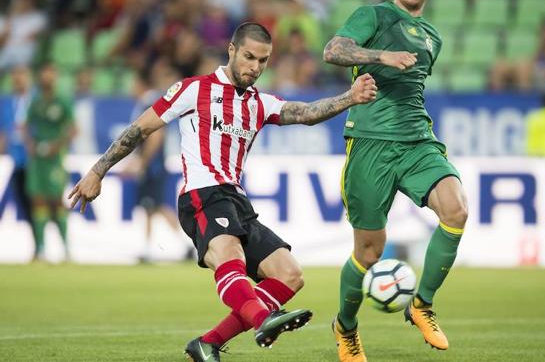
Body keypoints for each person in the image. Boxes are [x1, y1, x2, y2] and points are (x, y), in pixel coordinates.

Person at [68, 22, 377, 362]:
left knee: (290, 274)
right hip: (202, 194)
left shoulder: (261, 103)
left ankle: (207, 344)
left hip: (236, 200)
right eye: (248, 57)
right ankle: (264, 318)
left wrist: (350, 97)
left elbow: (304, 113)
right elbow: (139, 129)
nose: (255, 67)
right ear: (231, 50)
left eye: (263, 61)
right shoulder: (193, 89)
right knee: (231, 257)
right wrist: (98, 171)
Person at [323, 0, 469, 360]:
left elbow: (412, 89)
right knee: (369, 253)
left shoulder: (432, 37)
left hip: (418, 141)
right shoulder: (372, 15)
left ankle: (422, 305)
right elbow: (333, 51)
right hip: (370, 142)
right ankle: (346, 328)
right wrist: (381, 56)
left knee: (456, 210)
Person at [123, 70, 193, 262]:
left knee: (152, 205)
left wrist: (143, 163)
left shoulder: (148, 103)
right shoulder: (149, 102)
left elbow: (155, 136)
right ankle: (184, 245)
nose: (130, 89)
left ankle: (150, 249)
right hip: (155, 164)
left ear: (140, 84)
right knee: (155, 207)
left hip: (153, 166)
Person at [24, 63, 76, 261]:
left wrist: (57, 145)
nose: (47, 76)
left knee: (56, 201)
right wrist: (30, 145)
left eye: (51, 73)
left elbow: (73, 128)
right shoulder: (36, 101)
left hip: (55, 159)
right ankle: (40, 250)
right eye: (44, 72)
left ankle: (66, 250)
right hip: (37, 159)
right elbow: (26, 126)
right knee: (38, 200)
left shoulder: (62, 100)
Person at [0, 66, 35, 256]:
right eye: (15, 76)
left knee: (40, 202)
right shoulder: (6, 103)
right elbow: (4, 132)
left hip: (36, 161)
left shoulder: (36, 100)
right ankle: (36, 245)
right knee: (23, 202)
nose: (18, 79)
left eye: (21, 75)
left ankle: (45, 245)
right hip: (16, 160)